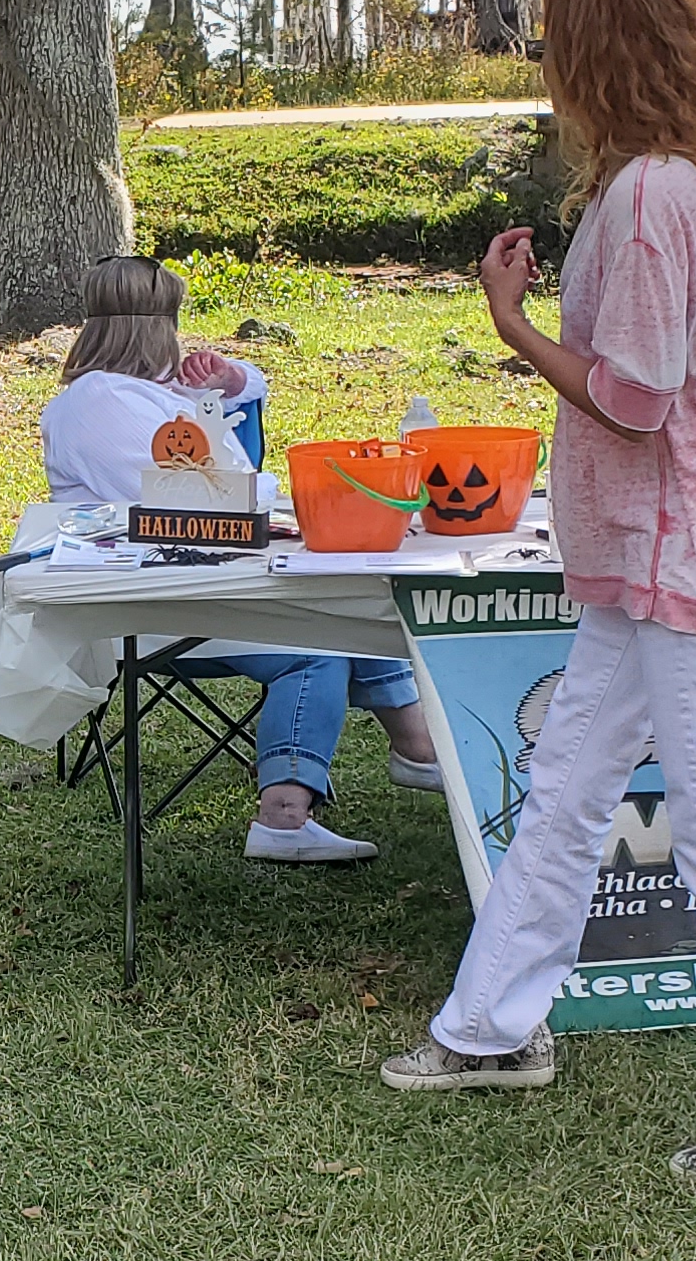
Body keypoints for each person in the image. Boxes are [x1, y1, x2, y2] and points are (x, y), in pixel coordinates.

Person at [378, 0, 696, 1194]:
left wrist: (515, 331)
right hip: (650, 565)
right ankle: (489, 1028)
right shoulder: (660, 189)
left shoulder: (653, 200)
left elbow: (643, 402)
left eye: (554, 43)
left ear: (595, 56)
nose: (543, 67)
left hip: (684, 564)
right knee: (564, 791)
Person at [39, 255, 442, 863]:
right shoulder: (100, 403)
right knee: (317, 640)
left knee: (346, 601)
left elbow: (245, 402)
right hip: (150, 601)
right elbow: (192, 495)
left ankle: (417, 752)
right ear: (154, 327)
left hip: (208, 574)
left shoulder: (147, 391)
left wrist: (229, 382)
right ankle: (284, 816)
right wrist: (297, 493)